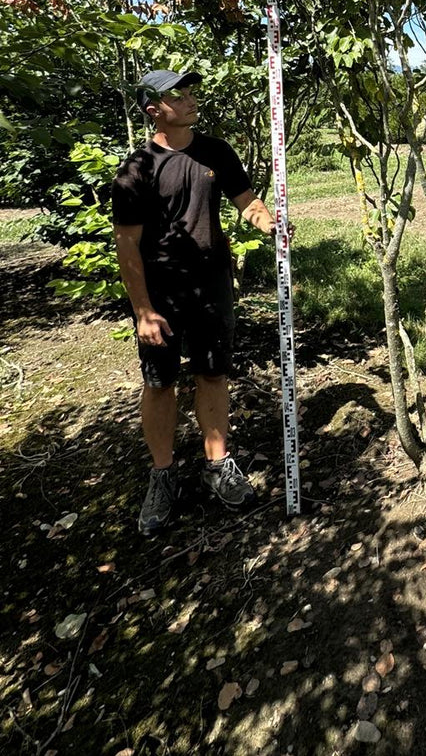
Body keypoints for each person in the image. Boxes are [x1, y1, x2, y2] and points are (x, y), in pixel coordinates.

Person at [112, 68, 285, 536]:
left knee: (212, 372)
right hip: (162, 294)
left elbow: (246, 202)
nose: (190, 100)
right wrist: (144, 310)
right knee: (160, 381)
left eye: (190, 92)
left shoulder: (215, 151)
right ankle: (163, 475)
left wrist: (267, 222)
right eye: (178, 96)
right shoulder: (135, 170)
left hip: (212, 286)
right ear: (154, 110)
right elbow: (127, 244)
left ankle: (217, 464)